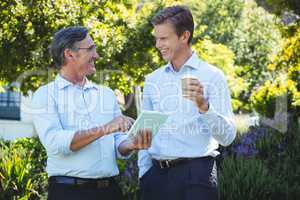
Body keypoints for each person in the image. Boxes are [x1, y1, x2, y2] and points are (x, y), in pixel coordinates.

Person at [31, 26, 151, 200]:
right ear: (69, 54)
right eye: (90, 49)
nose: (96, 55)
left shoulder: (106, 94)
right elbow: (56, 143)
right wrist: (105, 128)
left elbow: (117, 143)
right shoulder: (46, 95)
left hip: (110, 191)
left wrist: (131, 144)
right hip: (69, 193)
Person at [138, 5, 236, 200]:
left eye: (164, 38)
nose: (158, 44)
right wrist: (144, 174)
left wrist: (203, 107)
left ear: (184, 36)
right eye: (156, 38)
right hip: (156, 178)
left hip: (197, 177)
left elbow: (227, 137)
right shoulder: (152, 80)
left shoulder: (212, 76)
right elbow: (145, 133)